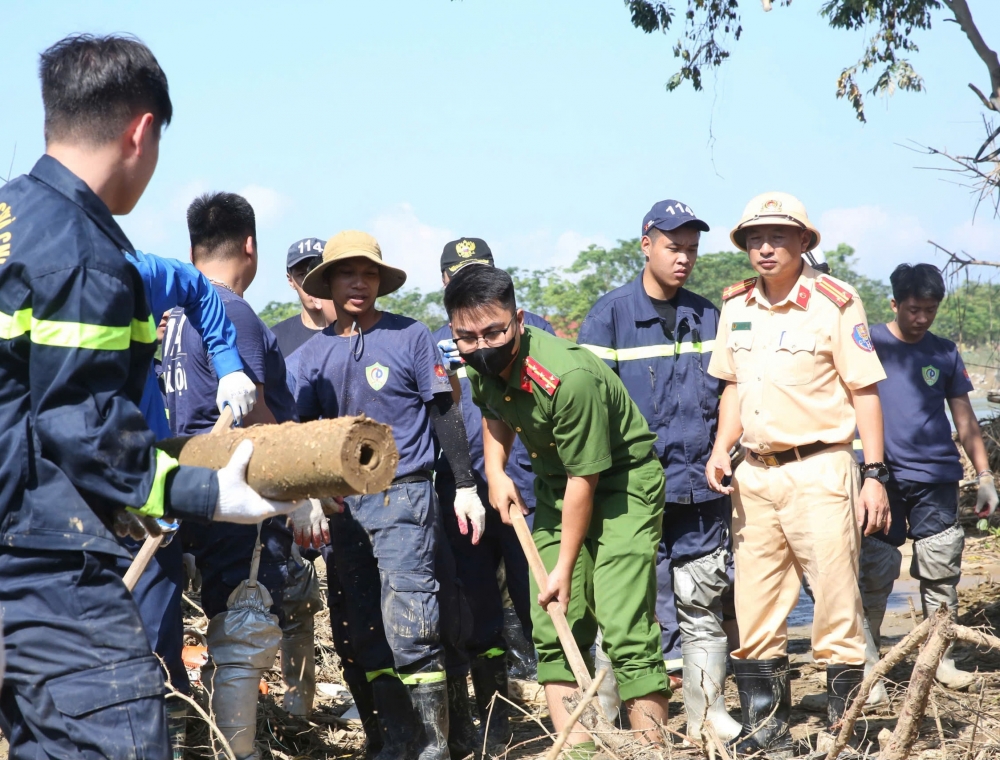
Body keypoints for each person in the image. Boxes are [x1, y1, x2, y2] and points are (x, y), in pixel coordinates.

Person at [0, 34, 300, 759]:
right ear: (141, 130)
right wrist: (204, 490)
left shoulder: (12, 218)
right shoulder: (81, 251)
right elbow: (84, 428)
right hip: (49, 564)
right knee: (122, 740)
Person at [444, 264, 672, 757]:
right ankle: (578, 751)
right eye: (468, 336)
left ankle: (651, 749)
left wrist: (564, 568)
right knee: (553, 623)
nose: (482, 345)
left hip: (620, 487)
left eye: (494, 332)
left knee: (623, 622)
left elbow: (584, 480)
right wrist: (498, 469)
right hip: (554, 489)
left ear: (518, 321)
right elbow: (494, 412)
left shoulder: (568, 378)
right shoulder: (477, 363)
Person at [705, 192, 890, 755]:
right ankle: (766, 732)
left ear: (804, 242)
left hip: (820, 469)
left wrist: (875, 472)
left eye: (778, 236)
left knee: (836, 606)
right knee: (755, 610)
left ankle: (846, 734)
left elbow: (864, 391)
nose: (765, 247)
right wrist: (721, 448)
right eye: (755, 238)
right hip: (754, 477)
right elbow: (733, 386)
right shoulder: (737, 307)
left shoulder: (835, 302)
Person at [295, 230, 487, 760]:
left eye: (369, 273)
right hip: (342, 506)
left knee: (414, 625)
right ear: (328, 283)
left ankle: (435, 747)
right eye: (347, 274)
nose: (359, 283)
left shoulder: (411, 336)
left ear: (380, 281)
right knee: (360, 629)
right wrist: (307, 496)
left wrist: (466, 485)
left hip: (404, 495)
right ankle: (392, 742)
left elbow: (444, 410)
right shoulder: (310, 356)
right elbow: (300, 430)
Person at [577, 199, 741, 743]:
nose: (684, 258)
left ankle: (707, 717)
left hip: (699, 488)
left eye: (692, 249)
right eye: (674, 247)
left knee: (700, 600)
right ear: (646, 243)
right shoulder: (610, 315)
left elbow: (728, 393)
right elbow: (588, 406)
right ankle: (616, 723)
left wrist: (722, 448)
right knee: (626, 607)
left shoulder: (708, 315)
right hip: (630, 492)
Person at [162, 191, 317, 760]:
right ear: (250, 246)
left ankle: (198, 742)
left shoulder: (173, 317)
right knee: (244, 622)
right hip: (238, 494)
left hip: (183, 486)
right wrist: (301, 491)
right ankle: (237, 752)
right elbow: (255, 415)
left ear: (192, 247)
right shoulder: (233, 312)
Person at [123, 247, 256, 757]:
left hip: (147, 496)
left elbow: (198, 288)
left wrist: (227, 365)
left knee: (154, 647)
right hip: (53, 504)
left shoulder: (135, 271)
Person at [433, 237, 551, 754]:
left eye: (479, 271)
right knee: (475, 605)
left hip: (526, 488)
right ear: (443, 283)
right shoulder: (436, 343)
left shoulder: (532, 332)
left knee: (538, 600)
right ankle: (496, 711)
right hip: (465, 496)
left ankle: (565, 704)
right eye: (458, 274)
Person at [860, 263, 998, 695]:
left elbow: (966, 419)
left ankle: (942, 660)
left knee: (941, 570)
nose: (921, 319)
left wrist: (985, 475)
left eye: (930, 310)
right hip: (880, 477)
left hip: (936, 476)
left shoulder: (945, 352)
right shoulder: (868, 344)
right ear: (894, 303)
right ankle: (869, 666)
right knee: (874, 570)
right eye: (914, 309)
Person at [269, 237, 328, 356]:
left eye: (317, 271)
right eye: (302, 274)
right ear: (291, 281)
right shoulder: (276, 339)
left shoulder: (356, 329)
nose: (311, 281)